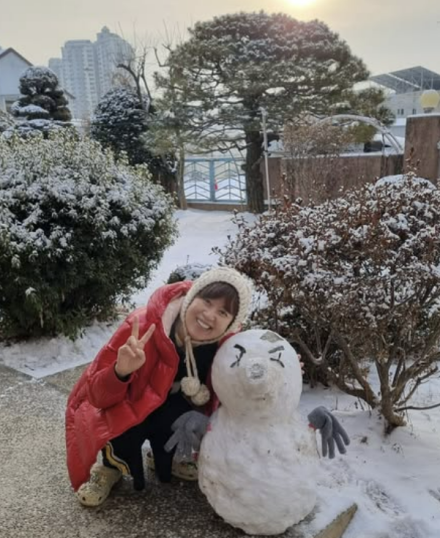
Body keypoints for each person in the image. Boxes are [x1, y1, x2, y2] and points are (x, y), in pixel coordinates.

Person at [65, 267, 253, 507]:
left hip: (171, 407)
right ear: (192, 296)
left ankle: (165, 455)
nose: (209, 315)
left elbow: (248, 374)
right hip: (129, 403)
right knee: (122, 424)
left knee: (188, 414)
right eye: (206, 301)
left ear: (230, 324)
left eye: (223, 312)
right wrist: (120, 372)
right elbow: (96, 397)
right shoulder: (142, 326)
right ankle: (109, 467)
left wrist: (286, 367)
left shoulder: (223, 348)